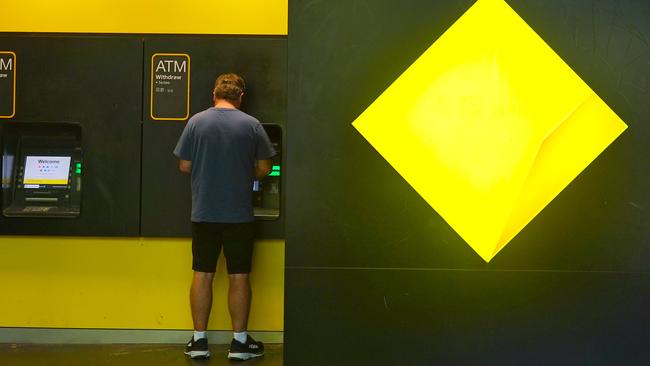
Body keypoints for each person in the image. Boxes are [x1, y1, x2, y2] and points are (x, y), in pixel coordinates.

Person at [173, 73, 275, 360]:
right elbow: (266, 167)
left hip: (203, 212)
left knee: (202, 273)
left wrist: (209, 170)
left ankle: (199, 341)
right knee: (239, 275)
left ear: (213, 94)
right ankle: (240, 344)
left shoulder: (196, 122)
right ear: (240, 96)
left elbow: (184, 164)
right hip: (239, 214)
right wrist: (243, 173)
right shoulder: (251, 125)